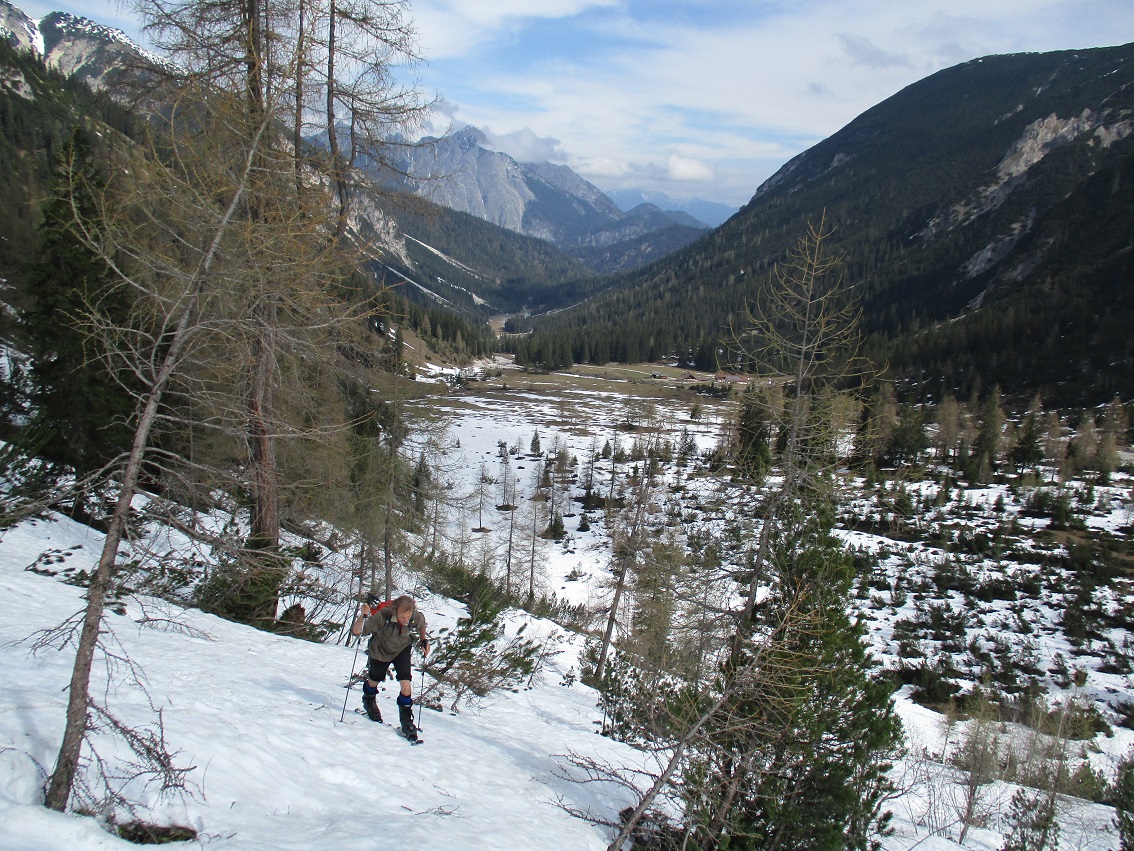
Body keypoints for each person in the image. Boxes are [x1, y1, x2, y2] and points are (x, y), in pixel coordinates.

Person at [351, 594, 430, 740]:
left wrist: (424, 640)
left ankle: (407, 722)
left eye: (408, 617)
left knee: (406, 683)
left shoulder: (414, 616)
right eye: (402, 617)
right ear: (395, 611)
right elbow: (357, 632)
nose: (406, 620)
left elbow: (421, 623)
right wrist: (362, 616)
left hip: (402, 649)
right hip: (381, 651)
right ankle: (368, 700)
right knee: (374, 680)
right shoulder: (383, 616)